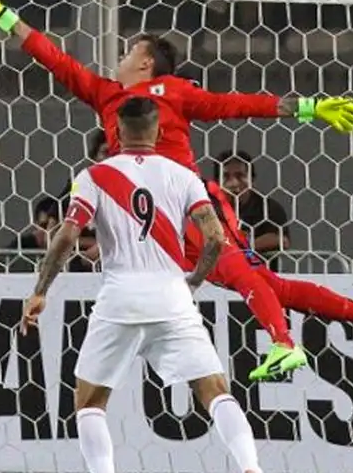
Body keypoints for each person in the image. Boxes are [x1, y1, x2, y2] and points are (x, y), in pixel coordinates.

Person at [0, 0, 353, 381]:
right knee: (264, 284)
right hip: (157, 222)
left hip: (188, 200)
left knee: (244, 274)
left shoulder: (173, 90)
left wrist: (309, 107)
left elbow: (235, 103)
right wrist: (3, 16)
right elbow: (57, 60)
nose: (118, 57)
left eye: (127, 51)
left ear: (147, 63)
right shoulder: (108, 96)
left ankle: (283, 342)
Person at [21, 97, 263, 473]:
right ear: (160, 131)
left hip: (119, 299)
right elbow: (215, 238)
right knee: (215, 391)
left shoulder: (93, 176)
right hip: (172, 298)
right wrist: (194, 282)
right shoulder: (182, 175)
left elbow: (67, 237)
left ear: (116, 132)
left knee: (89, 403)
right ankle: (251, 468)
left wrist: (40, 290)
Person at [215, 150, 291, 266]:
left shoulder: (267, 207)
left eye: (240, 176)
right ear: (217, 181)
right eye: (226, 176)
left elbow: (281, 239)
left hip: (260, 275)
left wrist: (239, 248)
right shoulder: (210, 208)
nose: (234, 183)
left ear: (251, 178)